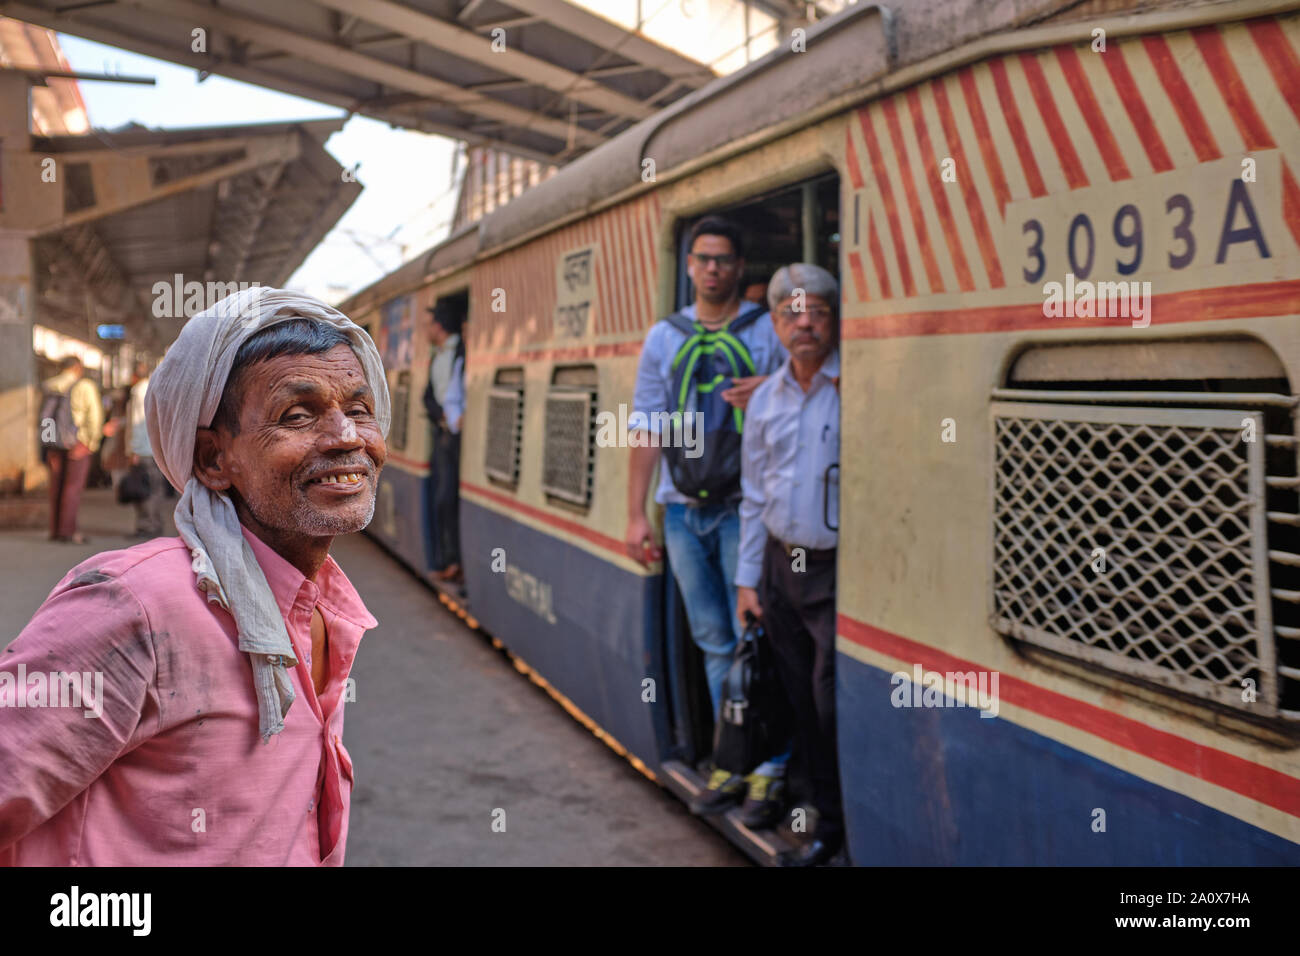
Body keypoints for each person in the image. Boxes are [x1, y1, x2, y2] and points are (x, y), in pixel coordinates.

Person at [0, 288, 390, 865]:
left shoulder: (322, 608)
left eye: (359, 409)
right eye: (298, 415)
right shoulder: (136, 605)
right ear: (212, 459)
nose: (347, 436)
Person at [627, 215, 790, 825]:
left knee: (759, 642)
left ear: (739, 268)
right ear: (690, 266)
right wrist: (636, 514)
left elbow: (808, 393)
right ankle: (736, 761)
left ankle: (771, 768)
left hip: (746, 511)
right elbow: (645, 424)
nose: (714, 268)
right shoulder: (664, 338)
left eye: (724, 259)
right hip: (681, 510)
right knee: (715, 643)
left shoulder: (768, 333)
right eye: (704, 258)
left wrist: (770, 387)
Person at [734, 263, 845, 867]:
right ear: (776, 324)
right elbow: (754, 495)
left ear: (832, 319)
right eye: (792, 314)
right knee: (798, 698)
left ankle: (836, 827)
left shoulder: (855, 387)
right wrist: (747, 579)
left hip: (835, 574)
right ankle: (809, 810)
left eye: (818, 312)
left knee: (830, 701)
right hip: (780, 570)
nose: (805, 324)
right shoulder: (767, 401)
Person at [423, 300, 466, 584]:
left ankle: (455, 560)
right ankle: (446, 559)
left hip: (456, 436)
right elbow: (427, 395)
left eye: (429, 324)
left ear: (438, 326)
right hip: (442, 432)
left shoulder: (461, 353)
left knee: (447, 498)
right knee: (440, 497)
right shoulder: (436, 356)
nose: (426, 329)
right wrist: (440, 417)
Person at [41, 355, 103, 544]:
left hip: (54, 443)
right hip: (77, 443)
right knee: (72, 487)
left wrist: (48, 444)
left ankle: (55, 530)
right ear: (77, 368)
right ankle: (68, 531)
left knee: (56, 487)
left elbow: (45, 418)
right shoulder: (84, 386)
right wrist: (90, 442)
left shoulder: (49, 386)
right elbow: (94, 416)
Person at [125, 359, 169, 539]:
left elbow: (137, 422)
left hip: (143, 449)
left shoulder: (137, 392)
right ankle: (155, 523)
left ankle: (146, 525)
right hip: (155, 448)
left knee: (143, 488)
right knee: (154, 488)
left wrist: (134, 449)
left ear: (134, 375)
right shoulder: (154, 388)